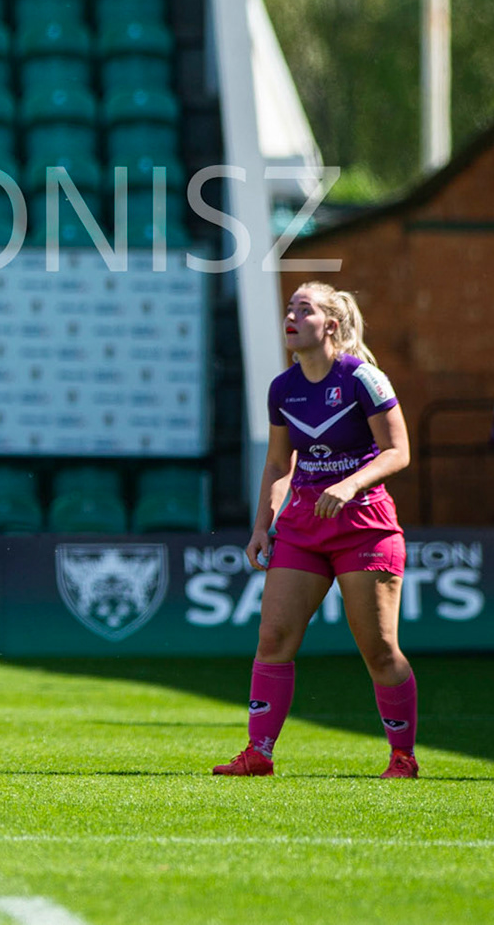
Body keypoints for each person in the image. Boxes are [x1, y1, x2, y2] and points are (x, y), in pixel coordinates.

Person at [215, 283, 418, 779]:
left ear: (330, 324)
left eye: (303, 310)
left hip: (364, 524)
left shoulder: (362, 378)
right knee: (273, 637)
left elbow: (397, 451)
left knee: (378, 649)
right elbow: (279, 463)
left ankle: (402, 756)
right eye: (289, 308)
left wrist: (350, 485)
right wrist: (263, 526)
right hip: (304, 525)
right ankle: (258, 753)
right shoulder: (283, 387)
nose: (290, 316)